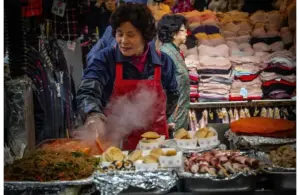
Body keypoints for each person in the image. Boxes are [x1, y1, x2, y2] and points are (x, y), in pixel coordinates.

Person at [77, 3, 179, 150]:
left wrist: (159, 118)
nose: (123, 41)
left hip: (155, 147)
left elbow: (173, 94)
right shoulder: (105, 59)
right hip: (113, 146)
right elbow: (87, 90)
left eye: (131, 35)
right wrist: (93, 115)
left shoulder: (163, 62)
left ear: (145, 36)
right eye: (120, 34)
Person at [157, 14, 190, 132]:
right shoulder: (165, 55)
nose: (186, 33)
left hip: (179, 115)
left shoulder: (175, 51)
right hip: (172, 118)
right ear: (172, 33)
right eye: (182, 30)